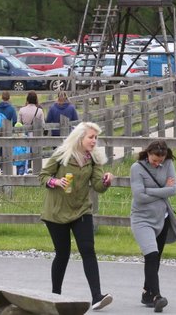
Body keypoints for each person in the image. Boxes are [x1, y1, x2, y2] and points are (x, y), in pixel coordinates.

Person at [39, 121, 114, 311]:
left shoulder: (94, 158)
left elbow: (97, 186)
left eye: (96, 137)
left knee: (88, 249)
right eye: (91, 137)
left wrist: (105, 182)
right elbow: (43, 176)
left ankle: (97, 296)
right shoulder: (62, 154)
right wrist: (56, 181)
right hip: (56, 212)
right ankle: (55, 295)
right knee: (62, 254)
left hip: (81, 210)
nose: (94, 141)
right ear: (80, 137)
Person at [130, 140, 176, 312]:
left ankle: (146, 292)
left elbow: (174, 189)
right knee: (151, 254)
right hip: (142, 219)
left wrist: (149, 191)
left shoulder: (168, 163)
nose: (157, 163)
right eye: (154, 160)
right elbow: (139, 196)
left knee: (155, 258)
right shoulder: (136, 168)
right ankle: (157, 296)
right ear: (148, 153)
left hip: (163, 217)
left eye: (160, 160)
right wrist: (162, 191)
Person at [18, 91, 45, 173]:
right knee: (36, 152)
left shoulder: (22, 110)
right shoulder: (39, 111)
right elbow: (43, 125)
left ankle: (27, 167)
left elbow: (18, 124)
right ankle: (37, 170)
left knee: (26, 151)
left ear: (27, 99)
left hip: (25, 134)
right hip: (36, 134)